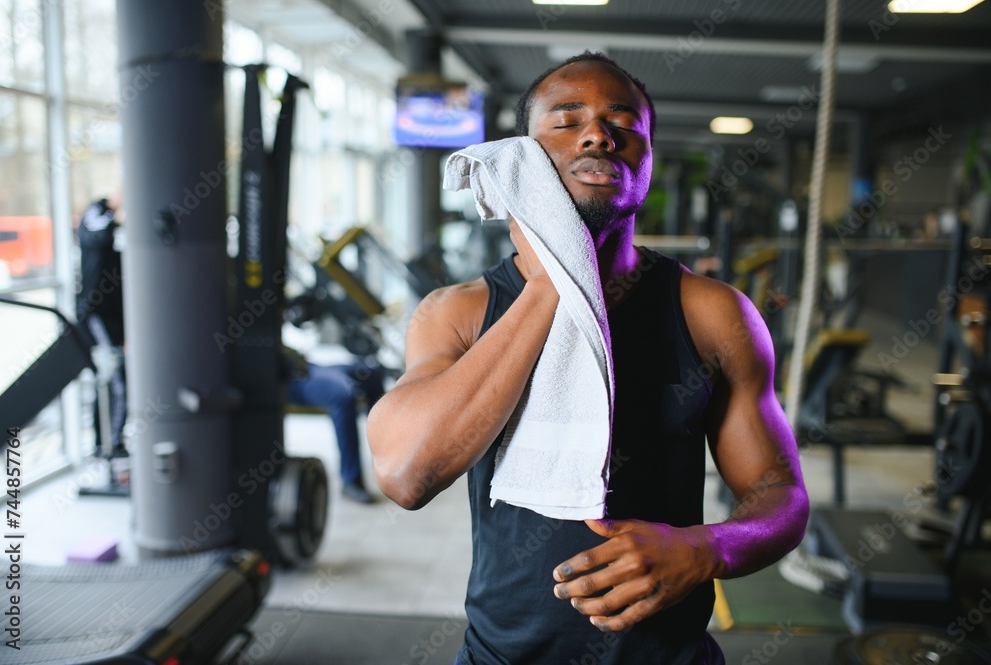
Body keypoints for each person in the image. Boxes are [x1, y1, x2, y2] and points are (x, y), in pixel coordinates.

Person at [366, 52, 809, 664]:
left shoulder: (713, 314)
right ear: (524, 155)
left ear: (647, 158)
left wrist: (705, 548)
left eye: (622, 123)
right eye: (566, 120)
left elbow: (781, 497)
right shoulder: (458, 313)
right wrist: (555, 280)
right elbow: (405, 475)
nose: (599, 134)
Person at [284, 347, 386, 504]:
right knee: (342, 394)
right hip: (290, 377)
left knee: (372, 373)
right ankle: (351, 480)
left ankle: (389, 457)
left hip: (307, 365)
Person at [76, 195, 127, 458]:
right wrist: (116, 217)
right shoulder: (96, 213)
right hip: (97, 314)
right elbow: (96, 235)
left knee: (116, 378)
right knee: (115, 379)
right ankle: (109, 444)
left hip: (118, 315)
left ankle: (110, 442)